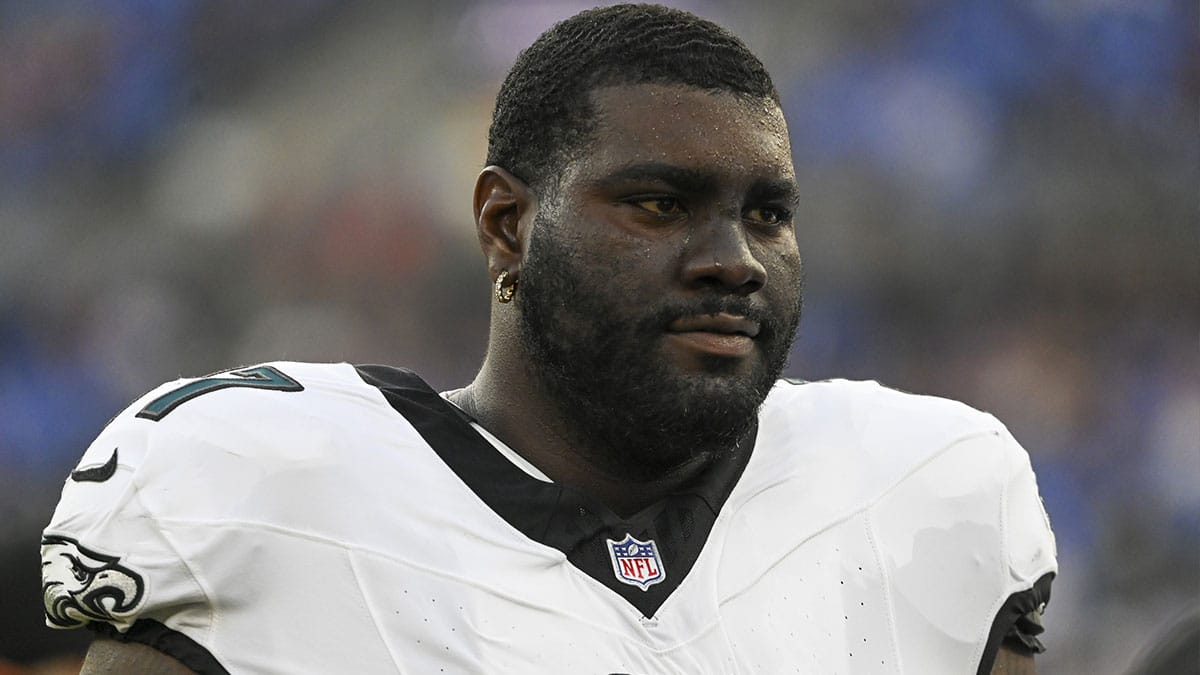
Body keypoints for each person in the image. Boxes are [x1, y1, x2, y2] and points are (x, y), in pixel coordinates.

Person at [40, 4, 1056, 674]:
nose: (734, 258)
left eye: (768, 213)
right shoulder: (255, 485)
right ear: (505, 223)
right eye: (660, 204)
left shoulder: (924, 490)